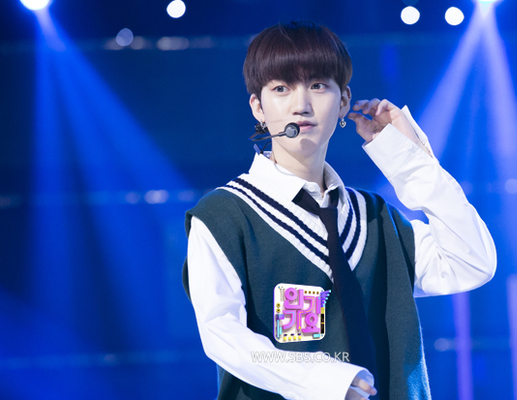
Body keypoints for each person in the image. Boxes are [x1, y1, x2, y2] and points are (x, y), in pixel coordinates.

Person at [183, 20, 496, 400]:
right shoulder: (225, 216)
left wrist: (412, 161)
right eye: (281, 89)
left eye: (318, 85)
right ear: (258, 108)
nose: (301, 105)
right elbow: (222, 334)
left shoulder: (375, 219)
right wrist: (325, 381)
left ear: (344, 101)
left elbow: (472, 261)